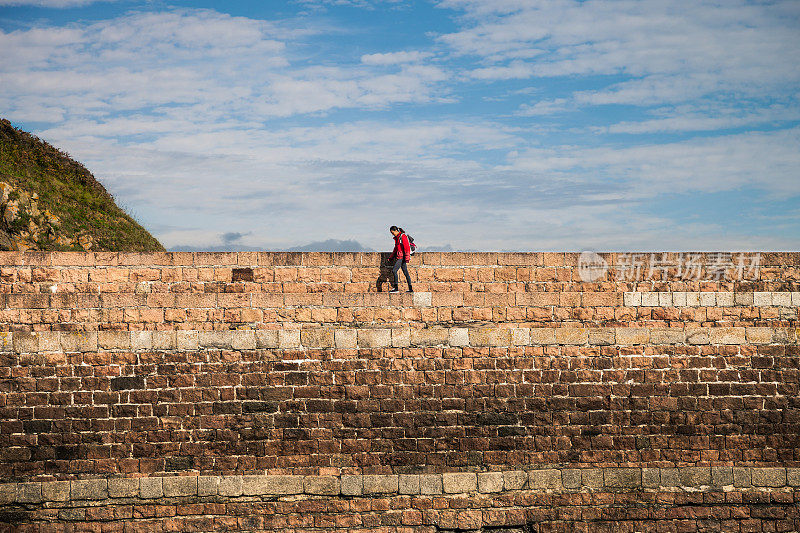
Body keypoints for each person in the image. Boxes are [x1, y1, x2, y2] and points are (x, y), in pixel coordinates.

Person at [388, 226, 413, 293]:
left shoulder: (402, 236)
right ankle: (410, 289)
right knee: (405, 273)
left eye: (393, 233)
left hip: (402, 257)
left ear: (396, 230)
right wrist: (391, 257)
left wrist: (407, 257)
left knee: (394, 270)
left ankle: (396, 288)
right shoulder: (397, 238)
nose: (392, 234)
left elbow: (407, 247)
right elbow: (396, 248)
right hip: (400, 256)